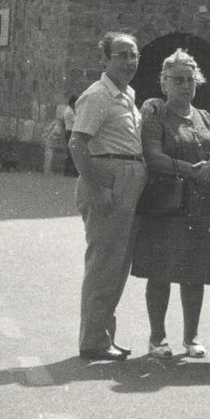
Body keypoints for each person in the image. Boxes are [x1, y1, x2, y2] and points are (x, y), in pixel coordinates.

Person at [130, 49, 210, 357]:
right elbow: (152, 156)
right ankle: (157, 338)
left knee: (195, 273)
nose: (184, 85)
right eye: (177, 80)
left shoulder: (205, 117)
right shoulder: (156, 115)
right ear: (163, 83)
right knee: (161, 272)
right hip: (165, 204)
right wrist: (189, 169)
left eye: (189, 80)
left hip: (201, 206)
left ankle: (191, 338)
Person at [68, 32, 147, 360]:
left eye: (133, 55)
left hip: (126, 177)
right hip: (107, 178)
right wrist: (98, 187)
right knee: (104, 264)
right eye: (121, 55)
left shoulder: (127, 94)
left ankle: (102, 336)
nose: (129, 62)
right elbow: (77, 143)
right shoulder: (98, 95)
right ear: (104, 60)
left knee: (117, 264)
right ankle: (93, 341)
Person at [62, 94, 78, 176]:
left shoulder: (71, 110)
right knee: (71, 152)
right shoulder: (69, 111)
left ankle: (70, 171)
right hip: (70, 132)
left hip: (71, 132)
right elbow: (76, 121)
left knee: (72, 152)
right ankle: (68, 170)